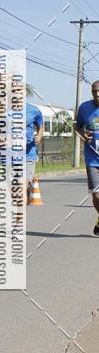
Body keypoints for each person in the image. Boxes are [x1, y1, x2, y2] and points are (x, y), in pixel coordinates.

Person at [75, 79, 99, 236]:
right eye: (94, 91)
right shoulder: (84, 107)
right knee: (96, 195)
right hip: (92, 159)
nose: (97, 94)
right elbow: (77, 127)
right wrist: (83, 134)